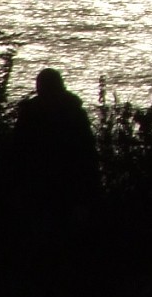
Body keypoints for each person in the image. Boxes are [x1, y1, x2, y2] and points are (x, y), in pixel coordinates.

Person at [10, 66, 100, 210]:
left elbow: (18, 149)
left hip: (40, 181)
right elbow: (87, 148)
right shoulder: (73, 111)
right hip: (68, 180)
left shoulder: (31, 113)